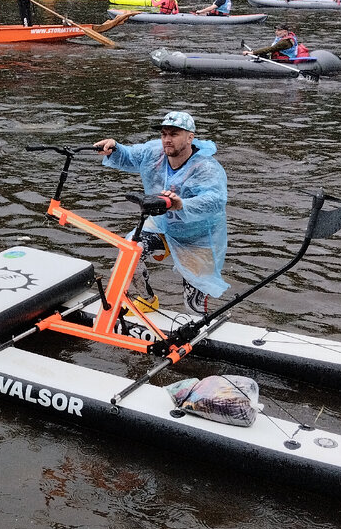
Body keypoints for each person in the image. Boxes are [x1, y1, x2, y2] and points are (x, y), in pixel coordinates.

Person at [92, 111, 228, 315]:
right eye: (164, 134)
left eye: (174, 134)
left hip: (196, 235)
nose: (167, 140)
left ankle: (201, 330)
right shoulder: (154, 152)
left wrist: (182, 204)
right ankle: (146, 300)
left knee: (193, 306)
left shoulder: (206, 168)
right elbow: (129, 156)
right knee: (130, 253)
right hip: (162, 224)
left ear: (190, 137)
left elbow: (215, 201)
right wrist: (114, 148)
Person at [243, 23, 309, 61]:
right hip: (283, 54)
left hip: (285, 59)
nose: (276, 32)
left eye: (279, 30)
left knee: (263, 54)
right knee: (262, 54)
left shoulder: (285, 42)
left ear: (285, 32)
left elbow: (271, 49)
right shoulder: (287, 36)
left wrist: (252, 52)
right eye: (276, 30)